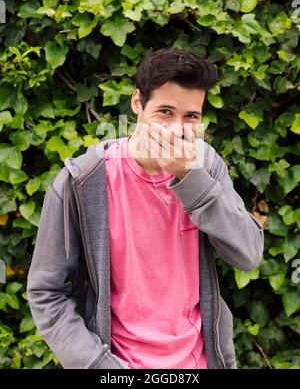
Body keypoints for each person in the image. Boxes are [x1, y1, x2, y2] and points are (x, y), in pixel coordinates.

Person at [26, 48, 264, 369]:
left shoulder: (205, 165)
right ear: (137, 103)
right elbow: (46, 293)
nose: (177, 130)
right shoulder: (82, 181)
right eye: (165, 112)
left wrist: (189, 177)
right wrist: (99, 366)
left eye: (191, 116)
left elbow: (247, 255)